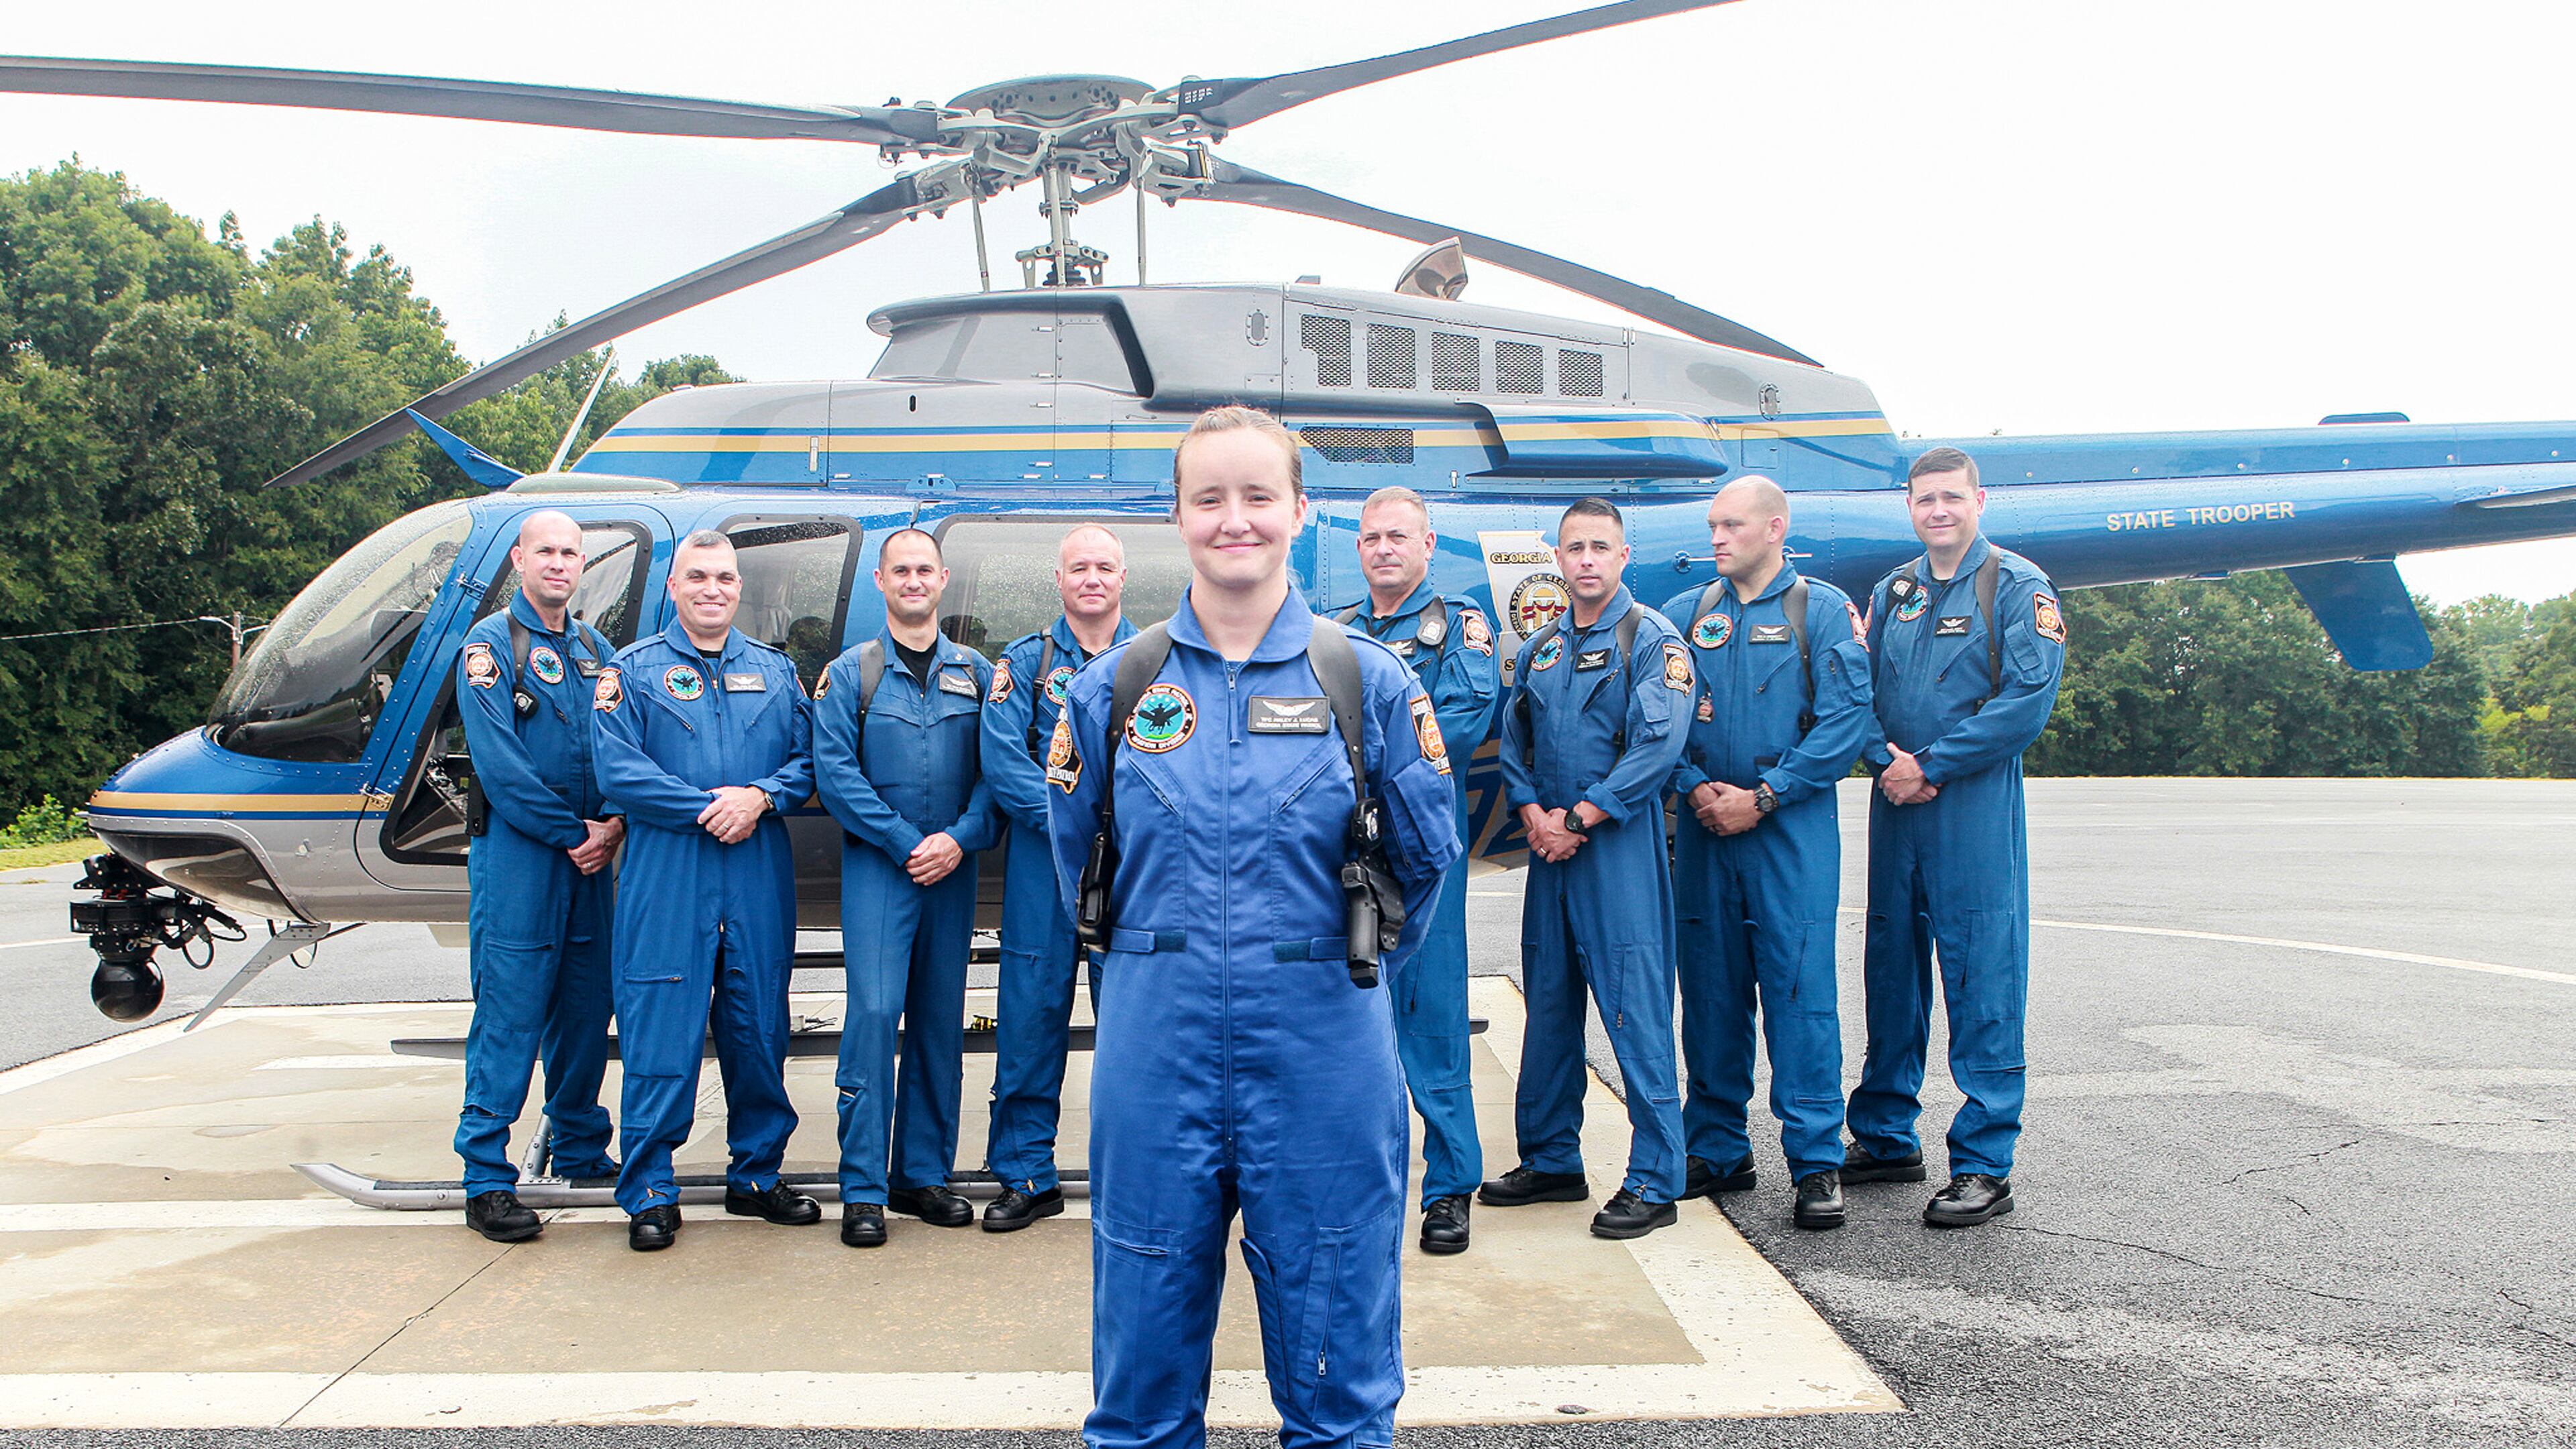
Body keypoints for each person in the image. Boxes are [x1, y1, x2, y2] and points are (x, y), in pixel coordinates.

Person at [1046, 406, 1460, 1449]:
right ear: (1177, 516)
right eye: (1210, 499)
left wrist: (1327, 968)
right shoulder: (1114, 691)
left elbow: (1421, 872)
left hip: (1323, 1057)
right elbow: (1078, 868)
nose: (1237, 520)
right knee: (1137, 1401)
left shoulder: (1367, 683)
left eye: (1259, 496)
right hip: (1156, 1058)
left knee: (1340, 1396)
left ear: (1299, 511)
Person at [1847, 447, 2068, 1227]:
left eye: (1951, 497)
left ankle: (1983, 1163)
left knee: (1981, 971)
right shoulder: (1894, 590)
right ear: (1909, 507)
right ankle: (1883, 1134)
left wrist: (1932, 765)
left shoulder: (2015, 586)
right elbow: (1856, 688)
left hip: (1971, 806)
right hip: (1897, 803)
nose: (1937, 510)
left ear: (1981, 500)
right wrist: (1885, 761)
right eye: (1924, 499)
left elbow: (2027, 702)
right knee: (1891, 967)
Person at [1654, 478, 1874, 1232]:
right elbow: (1665, 723)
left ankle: (1816, 1162)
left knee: (1800, 995)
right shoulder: (1689, 616)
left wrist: (1768, 795)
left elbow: (1846, 725)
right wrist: (1696, 788)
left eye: (1732, 525)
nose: (1717, 538)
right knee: (1711, 996)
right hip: (1710, 835)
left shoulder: (1821, 612)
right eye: (1712, 524)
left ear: (1775, 528)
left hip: (1790, 838)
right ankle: (1716, 1147)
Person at [592, 529, 820, 1252]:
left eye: (724, 578)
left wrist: (759, 796)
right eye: (698, 578)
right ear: (673, 587)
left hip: (755, 871)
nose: (712, 590)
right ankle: (650, 1189)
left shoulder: (777, 673)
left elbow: (809, 761)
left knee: (759, 1027)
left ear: (739, 588)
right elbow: (617, 773)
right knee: (661, 1027)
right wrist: (705, 808)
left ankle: (756, 1175)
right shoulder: (631, 672)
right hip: (670, 871)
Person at [1482, 497, 1691, 1240]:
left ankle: (1658, 1178)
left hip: (1617, 855)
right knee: (1550, 1008)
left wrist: (1581, 817)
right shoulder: (1542, 648)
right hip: (1552, 855)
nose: (1587, 561)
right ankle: (1550, 1159)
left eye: (1601, 547)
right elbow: (1515, 742)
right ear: (1558, 558)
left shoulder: (1652, 640)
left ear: (1623, 555)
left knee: (1634, 1013)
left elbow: (1657, 747)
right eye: (1574, 548)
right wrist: (1535, 814)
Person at [812, 528, 1001, 1248]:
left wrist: (959, 839)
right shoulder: (849, 674)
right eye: (902, 571)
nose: (914, 581)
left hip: (951, 869)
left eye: (925, 569)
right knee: (872, 1015)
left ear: (943, 579)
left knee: (936, 1022)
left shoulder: (978, 674)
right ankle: (862, 1186)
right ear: (881, 583)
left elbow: (998, 773)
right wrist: (904, 842)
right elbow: (835, 775)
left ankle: (921, 1174)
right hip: (880, 870)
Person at [451, 511, 623, 1242]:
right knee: (512, 1010)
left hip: (593, 858)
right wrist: (573, 834)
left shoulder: (595, 647)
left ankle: (582, 1147)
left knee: (588, 1009)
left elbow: (625, 744)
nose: (559, 563)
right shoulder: (490, 647)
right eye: (546, 551)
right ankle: (487, 1179)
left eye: (571, 553)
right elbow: (502, 769)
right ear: (520, 559)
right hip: (524, 857)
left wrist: (613, 823)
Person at [1334, 486, 1497, 1254]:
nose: (1383, 548)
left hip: (1421, 842)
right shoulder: (1331, 633)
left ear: (1428, 545)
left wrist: (1368, 764)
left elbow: (1460, 722)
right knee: (1346, 1013)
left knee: (1431, 1013)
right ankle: (1358, 1179)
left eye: (1399, 536)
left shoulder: (1458, 627)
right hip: (1347, 846)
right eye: (1371, 538)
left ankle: (1450, 1188)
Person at [977, 524, 1135, 1233]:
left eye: (1104, 566)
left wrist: (1120, 826)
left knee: (1135, 1027)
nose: (1092, 578)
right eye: (1079, 568)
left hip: (1132, 869)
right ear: (1060, 579)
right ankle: (1025, 1173)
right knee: (1030, 1020)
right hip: (1045, 867)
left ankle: (1137, 1173)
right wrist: (1074, 817)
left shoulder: (1157, 660)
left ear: (1122, 577)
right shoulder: (1024, 662)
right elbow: (1004, 760)